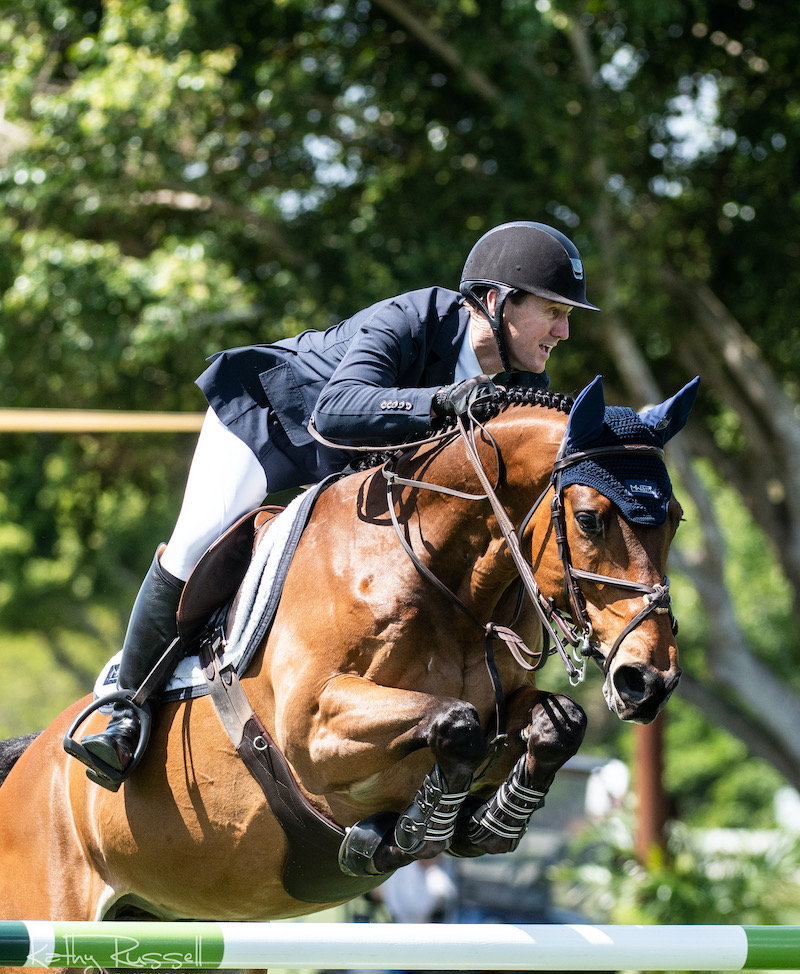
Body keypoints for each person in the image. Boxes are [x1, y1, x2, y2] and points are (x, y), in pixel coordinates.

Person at [80, 220, 599, 782]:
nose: (564, 331)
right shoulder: (410, 318)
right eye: (554, 311)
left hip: (342, 472)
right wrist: (445, 401)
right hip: (270, 423)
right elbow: (333, 411)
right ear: (497, 301)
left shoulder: (515, 390)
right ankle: (122, 709)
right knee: (197, 542)